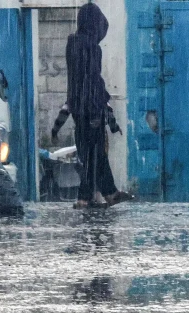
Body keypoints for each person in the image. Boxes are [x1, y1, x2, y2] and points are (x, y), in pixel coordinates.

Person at [65, 3, 132, 209]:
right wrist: (100, 109)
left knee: (93, 153)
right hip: (91, 107)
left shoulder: (72, 44)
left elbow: (82, 79)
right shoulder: (91, 48)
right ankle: (84, 198)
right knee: (94, 155)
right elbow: (93, 79)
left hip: (77, 106)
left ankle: (110, 193)